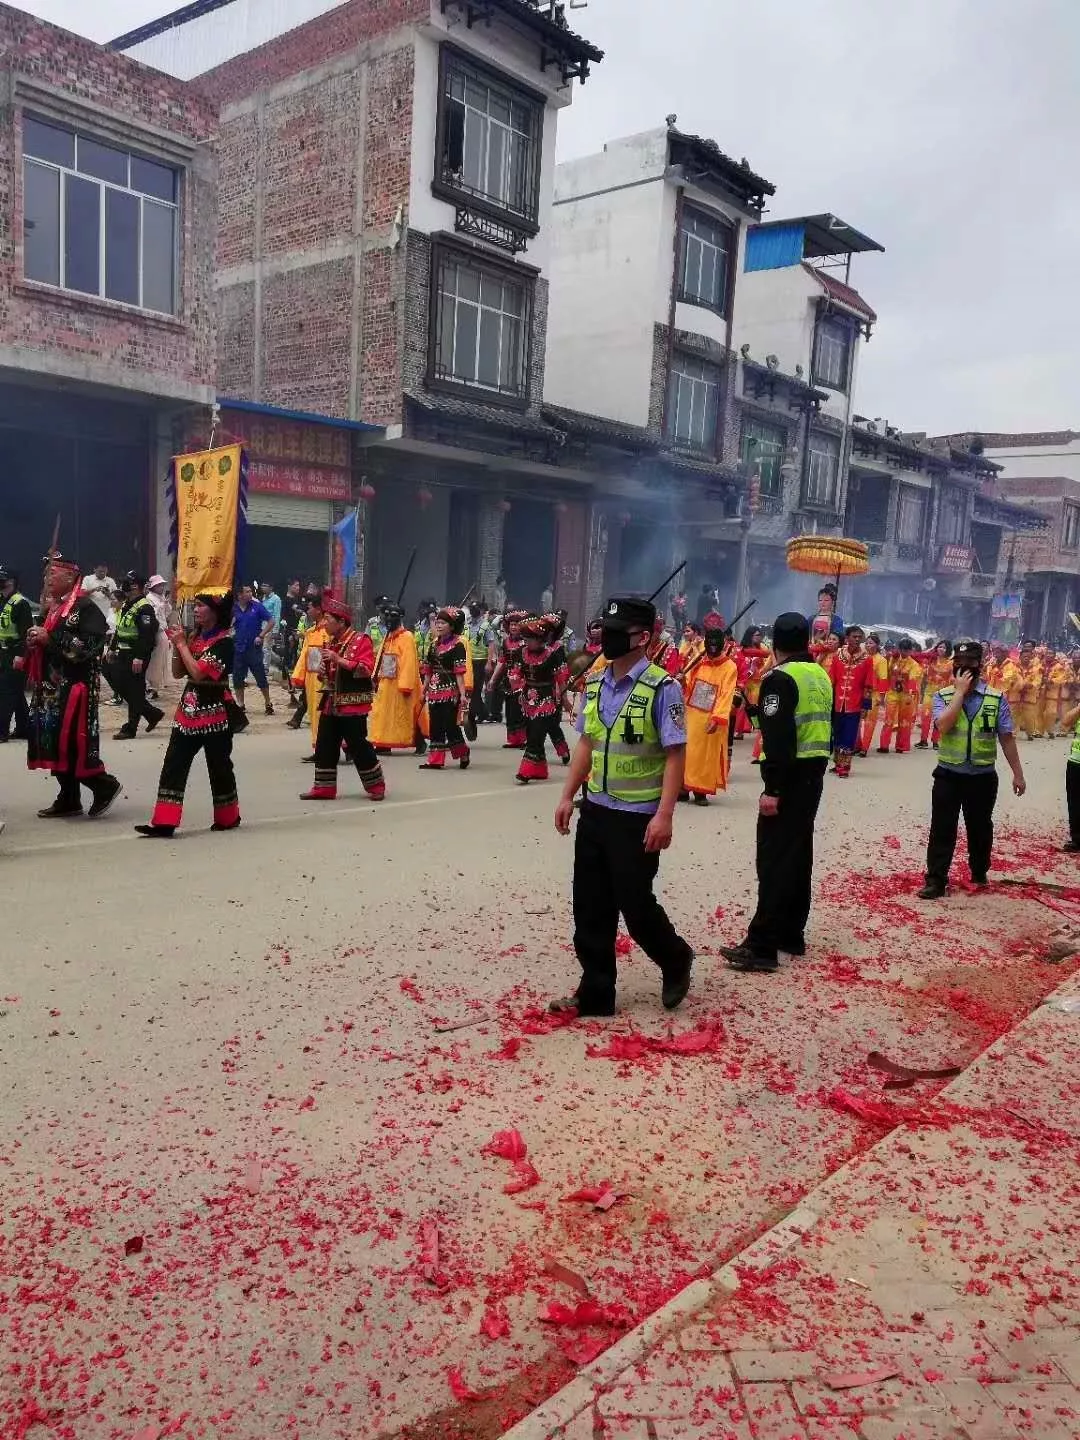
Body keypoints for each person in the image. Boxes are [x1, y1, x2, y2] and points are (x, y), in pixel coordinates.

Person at [551, 595, 694, 1017]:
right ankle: (596, 991)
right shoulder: (595, 683)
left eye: (615, 634)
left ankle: (675, 958)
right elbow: (586, 743)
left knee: (635, 904)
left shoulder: (663, 688)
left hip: (637, 817)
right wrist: (566, 795)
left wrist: (665, 814)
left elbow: (674, 753)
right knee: (590, 904)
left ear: (643, 637)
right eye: (604, 631)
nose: (605, 639)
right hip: (595, 810)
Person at [721, 612, 832, 973]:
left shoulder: (779, 678)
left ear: (775, 644)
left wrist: (772, 788)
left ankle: (762, 944)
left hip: (788, 775)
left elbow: (781, 736)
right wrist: (755, 712)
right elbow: (794, 720)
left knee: (773, 860)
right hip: (813, 773)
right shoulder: (820, 675)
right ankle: (791, 932)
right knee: (798, 855)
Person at [918, 640, 1026, 898]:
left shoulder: (995, 698)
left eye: (970, 663)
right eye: (959, 662)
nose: (963, 667)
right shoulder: (942, 696)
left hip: (982, 776)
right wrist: (959, 693)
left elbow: (1006, 738)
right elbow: (942, 727)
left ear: (980, 664)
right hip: (948, 774)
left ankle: (979, 870)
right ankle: (936, 879)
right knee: (942, 827)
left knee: (980, 828)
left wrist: (1018, 774)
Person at [135, 593, 241, 837]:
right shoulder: (195, 636)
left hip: (215, 714)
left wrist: (182, 645)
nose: (195, 610)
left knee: (220, 767)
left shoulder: (225, 643)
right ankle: (164, 822)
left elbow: (199, 673)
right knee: (173, 763)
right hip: (188, 711)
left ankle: (228, 816)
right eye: (195, 605)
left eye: (201, 606)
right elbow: (179, 671)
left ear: (215, 611)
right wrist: (177, 644)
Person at [26, 555, 122, 819]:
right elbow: (50, 645)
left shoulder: (85, 607)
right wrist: (36, 639)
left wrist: (51, 637)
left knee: (72, 741)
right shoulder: (53, 609)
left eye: (52, 576)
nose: (47, 581)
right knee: (55, 742)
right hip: (52, 689)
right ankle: (68, 797)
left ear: (70, 578)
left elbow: (90, 645)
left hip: (76, 688)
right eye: (46, 576)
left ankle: (104, 784)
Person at [300, 597, 385, 801]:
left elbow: (367, 669)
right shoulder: (332, 642)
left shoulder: (360, 640)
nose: (323, 623)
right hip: (332, 701)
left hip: (353, 702)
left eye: (328, 619)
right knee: (325, 743)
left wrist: (339, 660)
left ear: (341, 621)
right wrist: (323, 671)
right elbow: (329, 674)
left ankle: (376, 785)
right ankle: (324, 787)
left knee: (357, 744)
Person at [680, 612, 738, 803]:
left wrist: (718, 717)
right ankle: (683, 787)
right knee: (686, 750)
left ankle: (700, 791)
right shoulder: (698, 661)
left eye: (716, 642)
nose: (712, 646)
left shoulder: (729, 667)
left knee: (705, 755)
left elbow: (726, 694)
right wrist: (681, 680)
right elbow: (688, 681)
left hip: (710, 716)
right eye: (709, 642)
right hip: (692, 714)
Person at [513, 613, 571, 783]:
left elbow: (561, 677)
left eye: (532, 639)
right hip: (527, 699)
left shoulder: (553, 654)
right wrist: (517, 688)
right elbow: (516, 673)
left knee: (537, 734)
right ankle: (539, 770)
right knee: (532, 732)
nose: (528, 642)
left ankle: (526, 771)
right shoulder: (521, 653)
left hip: (546, 699)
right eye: (526, 638)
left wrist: (564, 698)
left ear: (541, 639)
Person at [107, 572, 165, 740]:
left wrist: (139, 656)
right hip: (123, 652)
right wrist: (112, 647)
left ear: (134, 586)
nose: (122, 586)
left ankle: (130, 728)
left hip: (136, 654)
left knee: (134, 689)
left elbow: (147, 635)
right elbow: (120, 628)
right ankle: (152, 713)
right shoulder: (128, 604)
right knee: (120, 682)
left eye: (126, 583)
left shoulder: (144, 607)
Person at [418, 606, 470, 771]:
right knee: (435, 725)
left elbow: (459, 673)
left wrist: (463, 695)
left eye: (443, 623)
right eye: (437, 622)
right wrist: (423, 690)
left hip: (451, 692)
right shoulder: (433, 645)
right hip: (434, 690)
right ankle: (435, 760)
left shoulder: (458, 646)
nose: (439, 626)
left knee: (450, 725)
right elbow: (427, 670)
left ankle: (463, 752)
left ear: (452, 626)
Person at [370, 604, 423, 752]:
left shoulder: (407, 637)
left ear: (399, 618)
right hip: (386, 681)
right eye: (386, 616)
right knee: (382, 713)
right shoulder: (387, 637)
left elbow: (409, 662)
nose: (388, 619)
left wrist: (405, 685)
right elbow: (380, 658)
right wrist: (374, 677)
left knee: (406, 713)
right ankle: (382, 743)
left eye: (392, 616)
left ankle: (419, 740)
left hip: (401, 684)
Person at [826, 625, 871, 778]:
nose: (857, 639)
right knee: (837, 732)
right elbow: (831, 679)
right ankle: (838, 763)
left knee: (849, 734)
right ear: (847, 638)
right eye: (854, 636)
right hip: (837, 702)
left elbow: (868, 684)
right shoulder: (838, 655)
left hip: (855, 703)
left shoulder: (867, 658)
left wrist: (865, 706)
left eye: (860, 637)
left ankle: (845, 767)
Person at [289, 593, 328, 755]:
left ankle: (326, 748)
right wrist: (298, 678)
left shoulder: (328, 631)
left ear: (318, 609)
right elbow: (304, 656)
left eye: (310, 607)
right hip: (311, 680)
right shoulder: (311, 632)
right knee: (314, 713)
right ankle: (319, 747)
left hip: (324, 679)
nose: (308, 610)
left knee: (323, 714)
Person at [231, 584, 275, 715]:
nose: (251, 593)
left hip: (254, 648)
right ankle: (241, 704)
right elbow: (228, 625)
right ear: (240, 595)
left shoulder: (257, 606)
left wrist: (261, 635)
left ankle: (268, 703)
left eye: (251, 591)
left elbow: (271, 621)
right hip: (238, 648)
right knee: (238, 678)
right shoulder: (233, 609)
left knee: (260, 676)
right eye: (247, 591)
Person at [0, 566, 33, 742]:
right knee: (16, 693)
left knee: (5, 693)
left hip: (16, 653)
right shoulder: (2, 600)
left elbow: (26, 634)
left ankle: (1, 731)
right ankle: (24, 728)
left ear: (11, 582)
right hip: (2, 652)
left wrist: (21, 656)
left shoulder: (21, 603)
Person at [490, 608, 528, 749]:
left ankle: (525, 739)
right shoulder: (505, 642)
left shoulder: (527, 642)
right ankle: (513, 739)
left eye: (517, 624)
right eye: (511, 624)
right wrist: (493, 679)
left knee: (522, 710)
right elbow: (502, 661)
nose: (513, 627)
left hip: (524, 680)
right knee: (510, 711)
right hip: (509, 680)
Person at [878, 639, 923, 754]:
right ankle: (884, 745)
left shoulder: (914, 664)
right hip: (893, 693)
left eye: (907, 650)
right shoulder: (893, 659)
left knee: (904, 721)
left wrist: (911, 696)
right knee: (888, 719)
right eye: (902, 649)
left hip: (906, 695)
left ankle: (901, 746)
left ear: (910, 651)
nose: (904, 652)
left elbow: (913, 680)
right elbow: (887, 672)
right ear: (899, 649)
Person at [916, 640, 954, 749]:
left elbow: (952, 679)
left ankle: (935, 741)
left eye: (944, 647)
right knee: (925, 717)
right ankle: (923, 741)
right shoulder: (931, 660)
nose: (941, 649)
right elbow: (922, 669)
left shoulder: (951, 664)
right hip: (929, 693)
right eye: (939, 647)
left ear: (948, 650)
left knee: (939, 719)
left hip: (942, 695)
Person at [857, 632, 888, 756]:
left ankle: (864, 748)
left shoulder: (881, 660)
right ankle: (856, 745)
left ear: (877, 645)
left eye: (871, 643)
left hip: (873, 695)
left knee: (869, 722)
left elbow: (883, 679)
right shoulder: (861, 657)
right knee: (857, 720)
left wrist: (882, 697)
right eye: (867, 643)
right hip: (860, 692)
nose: (868, 645)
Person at [145, 575, 172, 700]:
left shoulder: (161, 597)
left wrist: (165, 603)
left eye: (162, 585)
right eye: (159, 585)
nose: (161, 587)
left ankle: (155, 686)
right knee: (154, 660)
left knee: (161, 660)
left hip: (162, 631)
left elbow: (167, 613)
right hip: (154, 632)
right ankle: (150, 686)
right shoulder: (149, 598)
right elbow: (151, 615)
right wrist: (161, 605)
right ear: (154, 587)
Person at [467, 602, 492, 727]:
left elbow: (491, 644)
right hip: (469, 660)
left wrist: (489, 662)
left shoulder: (486, 625)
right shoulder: (467, 624)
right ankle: (483, 712)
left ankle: (472, 715)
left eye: (475, 609)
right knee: (471, 688)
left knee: (476, 689)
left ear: (481, 611)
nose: (473, 612)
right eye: (472, 609)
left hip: (481, 660)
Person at [1013, 640, 1043, 740]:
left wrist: (1031, 685)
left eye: (1028, 657)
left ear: (1031, 658)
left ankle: (1030, 733)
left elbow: (1038, 680)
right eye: (1024, 656)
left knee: (1029, 717)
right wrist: (1019, 685)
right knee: (1013, 715)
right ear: (1020, 657)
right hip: (1015, 696)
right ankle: (1012, 733)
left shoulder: (1036, 668)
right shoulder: (1014, 667)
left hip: (1029, 696)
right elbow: (1012, 679)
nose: (1026, 658)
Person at [259, 581, 282, 681]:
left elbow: (277, 615)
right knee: (266, 648)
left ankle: (265, 668)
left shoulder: (276, 599)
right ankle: (279, 660)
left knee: (266, 648)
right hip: (262, 626)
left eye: (265, 585)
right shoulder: (263, 598)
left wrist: (276, 630)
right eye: (262, 585)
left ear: (271, 587)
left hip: (271, 626)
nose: (263, 587)